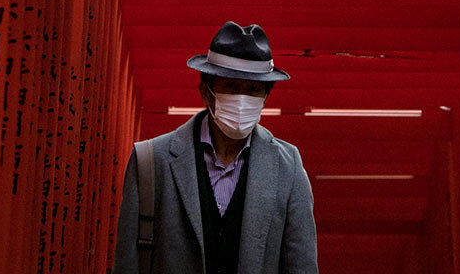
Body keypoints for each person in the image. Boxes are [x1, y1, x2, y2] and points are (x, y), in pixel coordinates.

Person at [113, 21, 318, 274]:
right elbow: (126, 263)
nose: (242, 100)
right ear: (206, 92)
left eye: (253, 90)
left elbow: (301, 264)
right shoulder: (151, 162)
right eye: (231, 86)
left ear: (265, 97)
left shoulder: (288, 169)